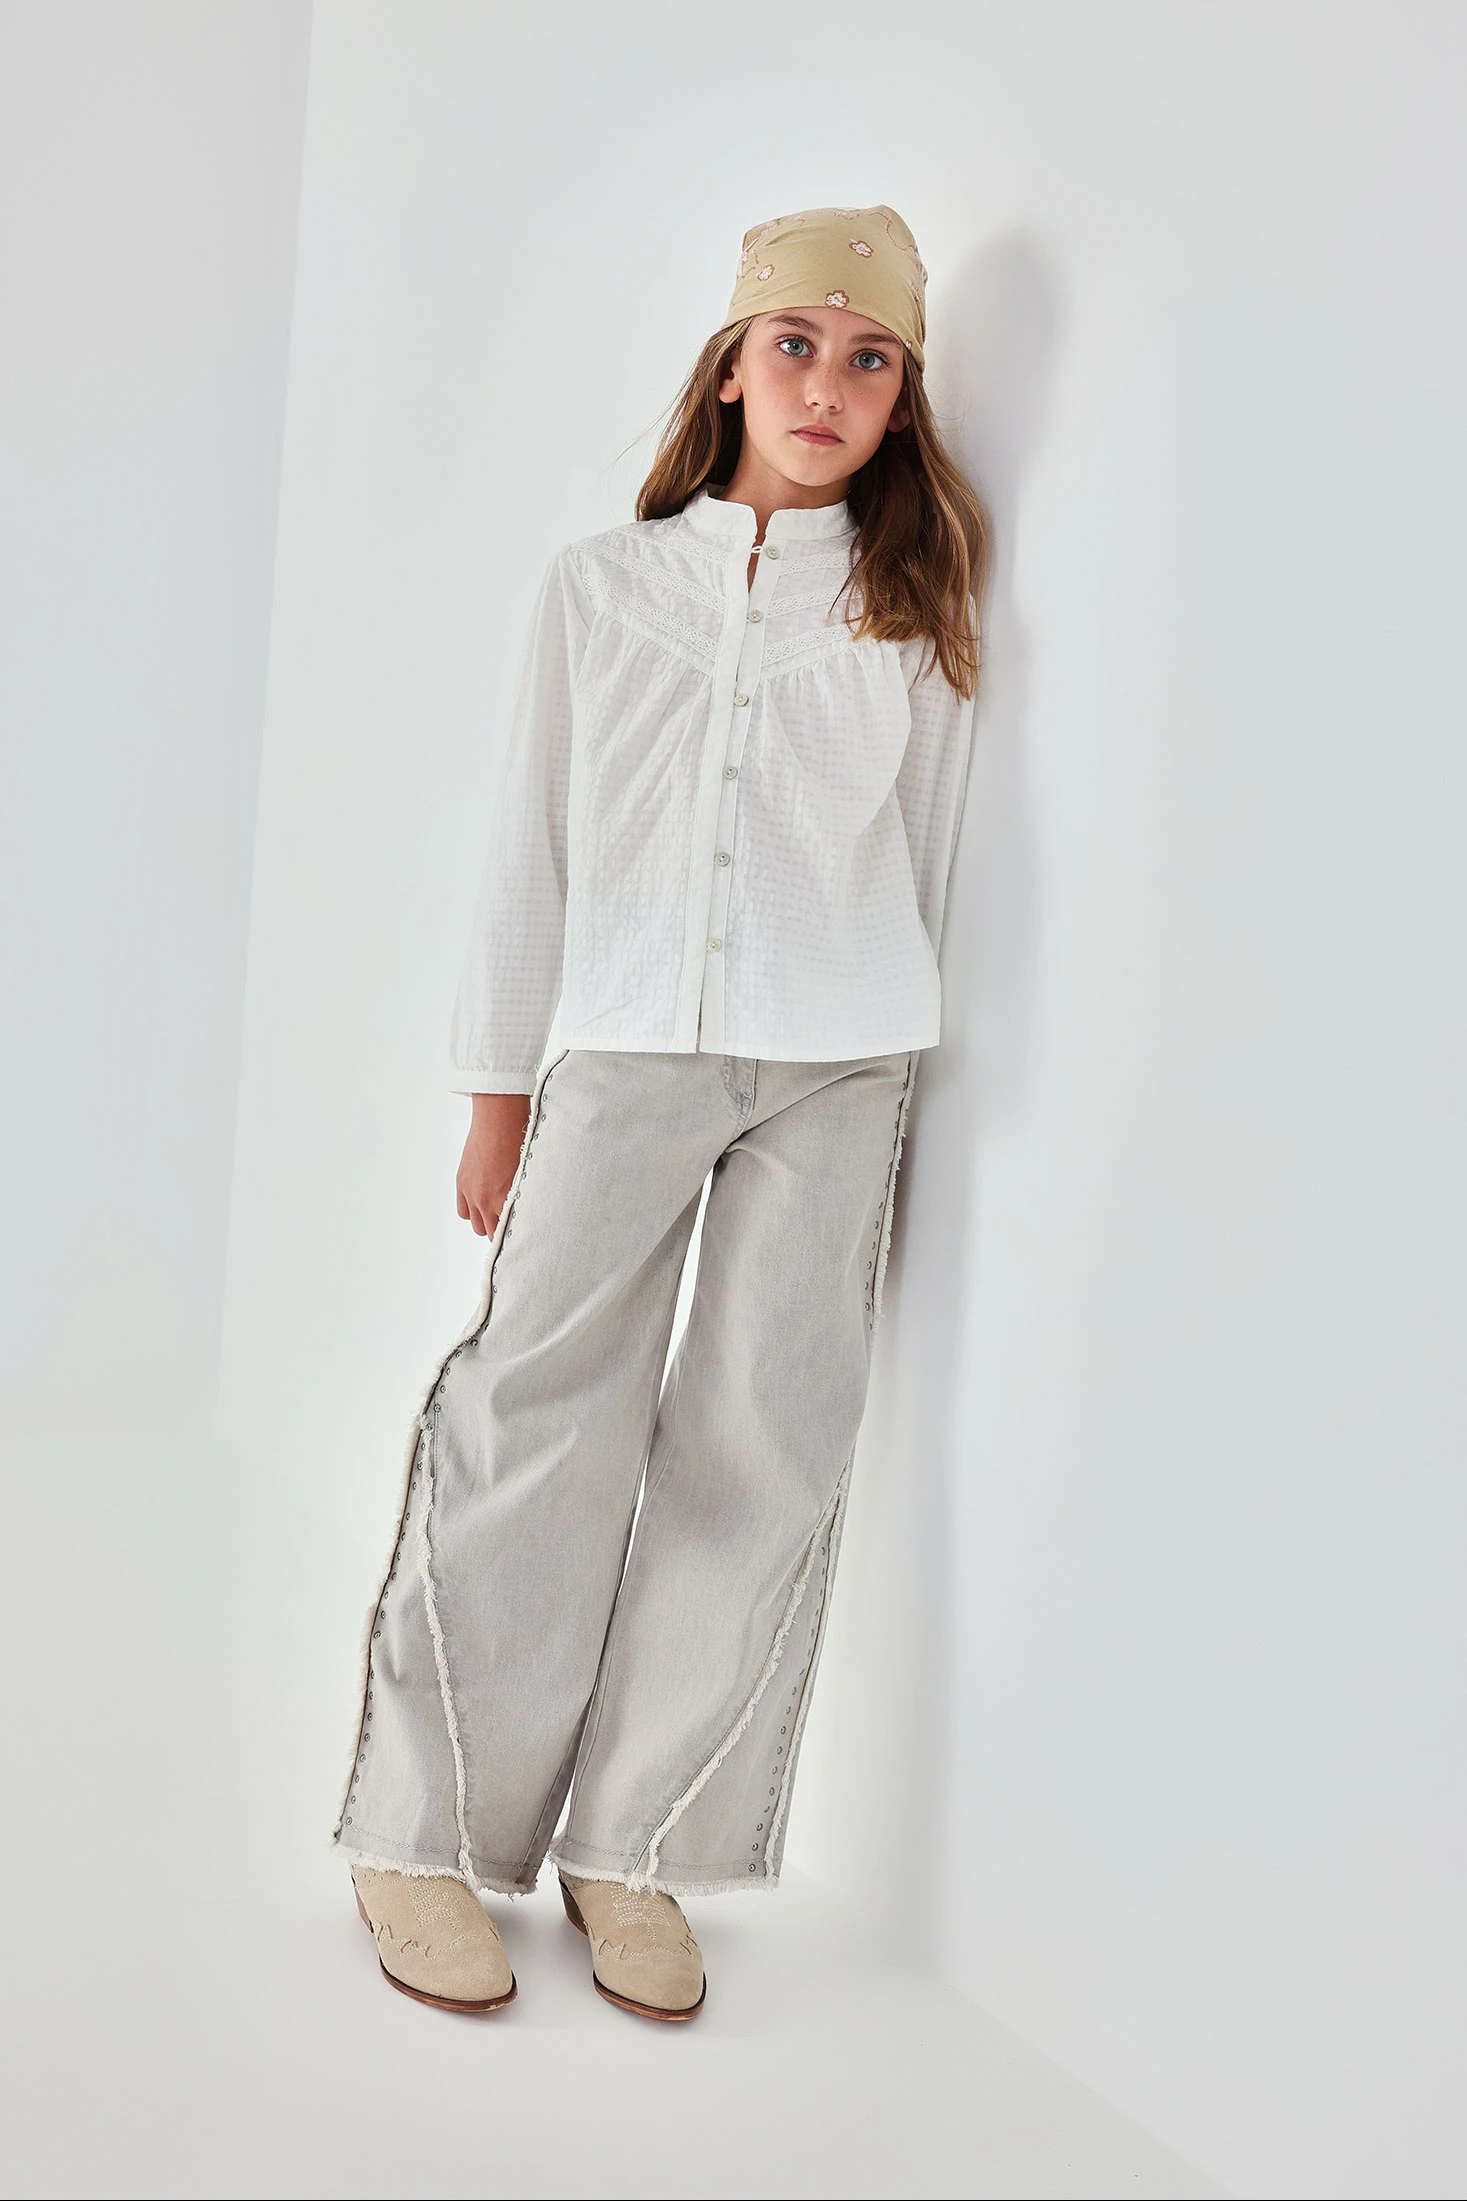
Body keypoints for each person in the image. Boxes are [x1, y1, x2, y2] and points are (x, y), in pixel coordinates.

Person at [333, 202, 988, 2023]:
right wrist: (495, 1091)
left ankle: (637, 1846)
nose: (828, 385)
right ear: (730, 370)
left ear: (902, 397)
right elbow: (524, 843)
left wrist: (912, 1074)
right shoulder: (599, 587)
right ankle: (418, 1830)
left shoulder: (913, 605)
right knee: (532, 1411)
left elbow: (930, 863)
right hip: (623, 1052)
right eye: (797, 345)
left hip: (841, 1074)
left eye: (869, 359)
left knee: (762, 1448)